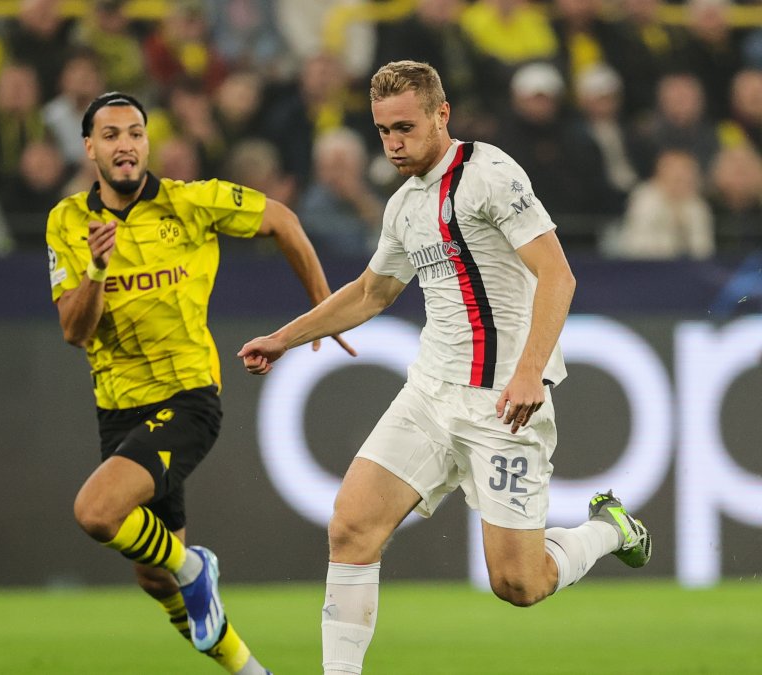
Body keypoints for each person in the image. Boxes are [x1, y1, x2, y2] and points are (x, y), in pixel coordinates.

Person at [236, 61, 653, 675]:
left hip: (503, 406)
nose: (394, 143)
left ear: (442, 114)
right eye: (382, 131)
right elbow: (372, 292)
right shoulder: (404, 204)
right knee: (351, 527)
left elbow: (558, 275)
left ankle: (611, 529)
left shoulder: (490, 175)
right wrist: (283, 338)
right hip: (430, 395)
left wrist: (530, 372)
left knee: (519, 583)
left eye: (405, 127)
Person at [49, 92, 353, 675]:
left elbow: (283, 221)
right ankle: (249, 668)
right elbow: (74, 331)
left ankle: (196, 568)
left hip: (188, 398)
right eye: (111, 135)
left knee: (97, 513)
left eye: (135, 133)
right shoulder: (68, 221)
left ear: (147, 143)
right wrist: (94, 269)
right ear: (89, 148)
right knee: (151, 574)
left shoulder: (192, 202)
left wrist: (325, 307)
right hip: (118, 409)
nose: (125, 145)